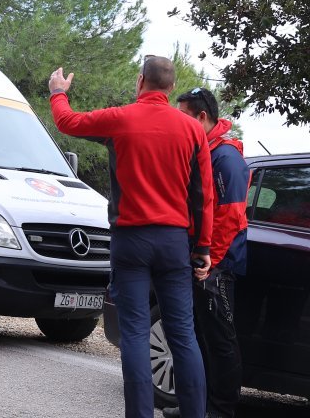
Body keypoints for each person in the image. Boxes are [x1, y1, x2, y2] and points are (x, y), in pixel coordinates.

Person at [48, 57, 214, 418]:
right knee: (183, 336)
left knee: (136, 335)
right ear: (171, 89)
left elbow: (67, 121)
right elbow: (202, 196)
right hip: (173, 243)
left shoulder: (119, 119)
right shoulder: (193, 130)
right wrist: (202, 247)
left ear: (141, 81)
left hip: (130, 240)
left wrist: (59, 93)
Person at [162, 88, 250, 418]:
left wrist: (207, 260)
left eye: (183, 116)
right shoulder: (202, 151)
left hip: (217, 264)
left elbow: (230, 217)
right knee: (195, 334)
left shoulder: (226, 158)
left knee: (220, 339)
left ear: (201, 117)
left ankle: (220, 410)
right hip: (197, 258)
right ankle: (193, 406)